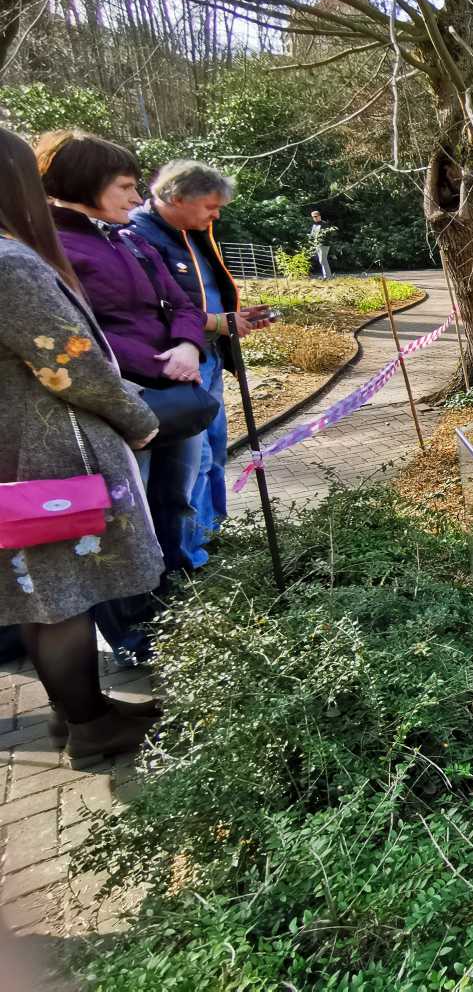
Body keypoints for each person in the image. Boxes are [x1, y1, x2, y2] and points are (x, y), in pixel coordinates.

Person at [0, 127, 163, 758]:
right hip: (45, 454)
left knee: (44, 594)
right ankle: (91, 727)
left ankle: (76, 711)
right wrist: (137, 418)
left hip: (19, 450)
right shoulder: (12, 265)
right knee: (60, 596)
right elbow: (72, 363)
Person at [36, 131, 212, 663]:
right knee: (123, 520)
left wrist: (186, 343)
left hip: (172, 390)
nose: (138, 200)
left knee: (171, 499)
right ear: (86, 183)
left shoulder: (127, 238)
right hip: (121, 399)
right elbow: (72, 337)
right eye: (127, 187)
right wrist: (147, 365)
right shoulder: (51, 248)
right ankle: (133, 633)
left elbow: (181, 300)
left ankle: (177, 600)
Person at [130, 162, 270, 567]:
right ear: (176, 198)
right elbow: (166, 308)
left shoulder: (192, 234)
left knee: (214, 451)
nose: (216, 215)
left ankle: (210, 533)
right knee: (195, 461)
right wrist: (217, 323)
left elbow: (204, 297)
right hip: (178, 366)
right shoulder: (139, 238)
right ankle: (187, 557)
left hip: (209, 355)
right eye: (210, 206)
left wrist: (233, 319)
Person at [309, 209, 332, 279]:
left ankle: (327, 277)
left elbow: (328, 235)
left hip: (324, 244)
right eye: (313, 217)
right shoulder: (314, 225)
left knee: (323, 260)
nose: (315, 218)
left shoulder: (324, 224)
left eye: (316, 216)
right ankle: (326, 276)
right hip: (317, 245)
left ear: (319, 216)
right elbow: (312, 235)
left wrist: (321, 240)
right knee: (321, 260)